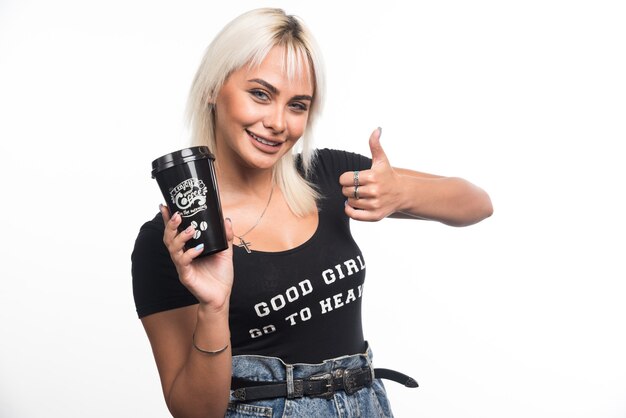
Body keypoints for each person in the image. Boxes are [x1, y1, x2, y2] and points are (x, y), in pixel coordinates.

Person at [132, 7, 493, 418]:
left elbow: (478, 204)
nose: (277, 123)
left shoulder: (328, 174)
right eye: (260, 94)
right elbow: (196, 413)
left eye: (297, 105)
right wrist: (213, 308)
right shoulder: (174, 239)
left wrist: (402, 192)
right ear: (214, 88)